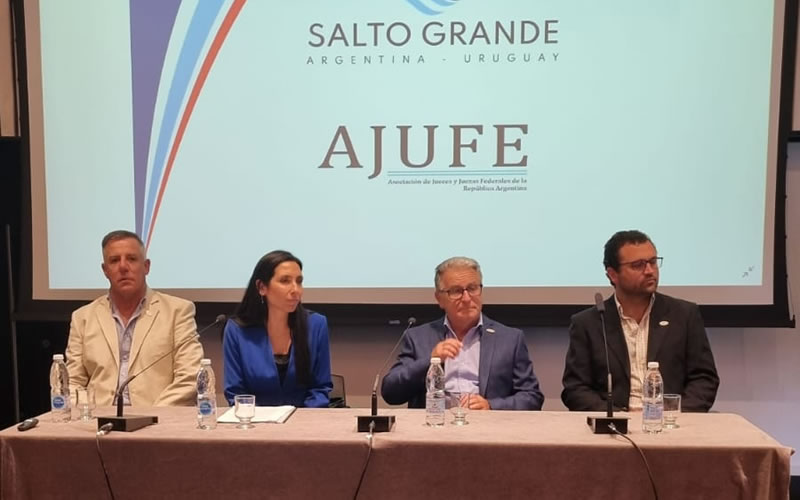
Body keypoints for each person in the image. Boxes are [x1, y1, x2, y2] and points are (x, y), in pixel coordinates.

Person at [562, 230, 719, 412]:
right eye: (638, 265)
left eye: (653, 262)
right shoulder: (589, 323)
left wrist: (672, 414)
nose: (650, 271)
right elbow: (575, 389)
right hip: (614, 424)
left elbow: (704, 380)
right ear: (613, 275)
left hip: (670, 422)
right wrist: (616, 417)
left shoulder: (684, 315)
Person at [381, 257, 544, 410]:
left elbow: (532, 397)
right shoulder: (418, 337)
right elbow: (390, 393)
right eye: (456, 291)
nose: (466, 298)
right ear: (439, 299)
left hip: (487, 426)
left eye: (472, 289)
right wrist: (431, 361)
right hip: (435, 424)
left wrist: (491, 406)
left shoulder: (510, 339)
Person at [66, 230, 203, 406]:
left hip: (158, 418)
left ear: (146, 266)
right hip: (97, 418)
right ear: (105, 270)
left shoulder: (177, 311)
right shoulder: (83, 318)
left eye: (131, 259)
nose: (123, 267)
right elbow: (72, 382)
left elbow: (190, 377)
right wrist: (91, 412)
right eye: (114, 260)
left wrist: (152, 416)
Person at [223, 250, 332, 407]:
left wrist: (302, 419)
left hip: (304, 419)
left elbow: (320, 389)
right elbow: (235, 393)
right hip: (254, 420)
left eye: (299, 281)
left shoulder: (316, 325)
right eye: (285, 281)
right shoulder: (236, 330)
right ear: (262, 287)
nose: (296, 290)